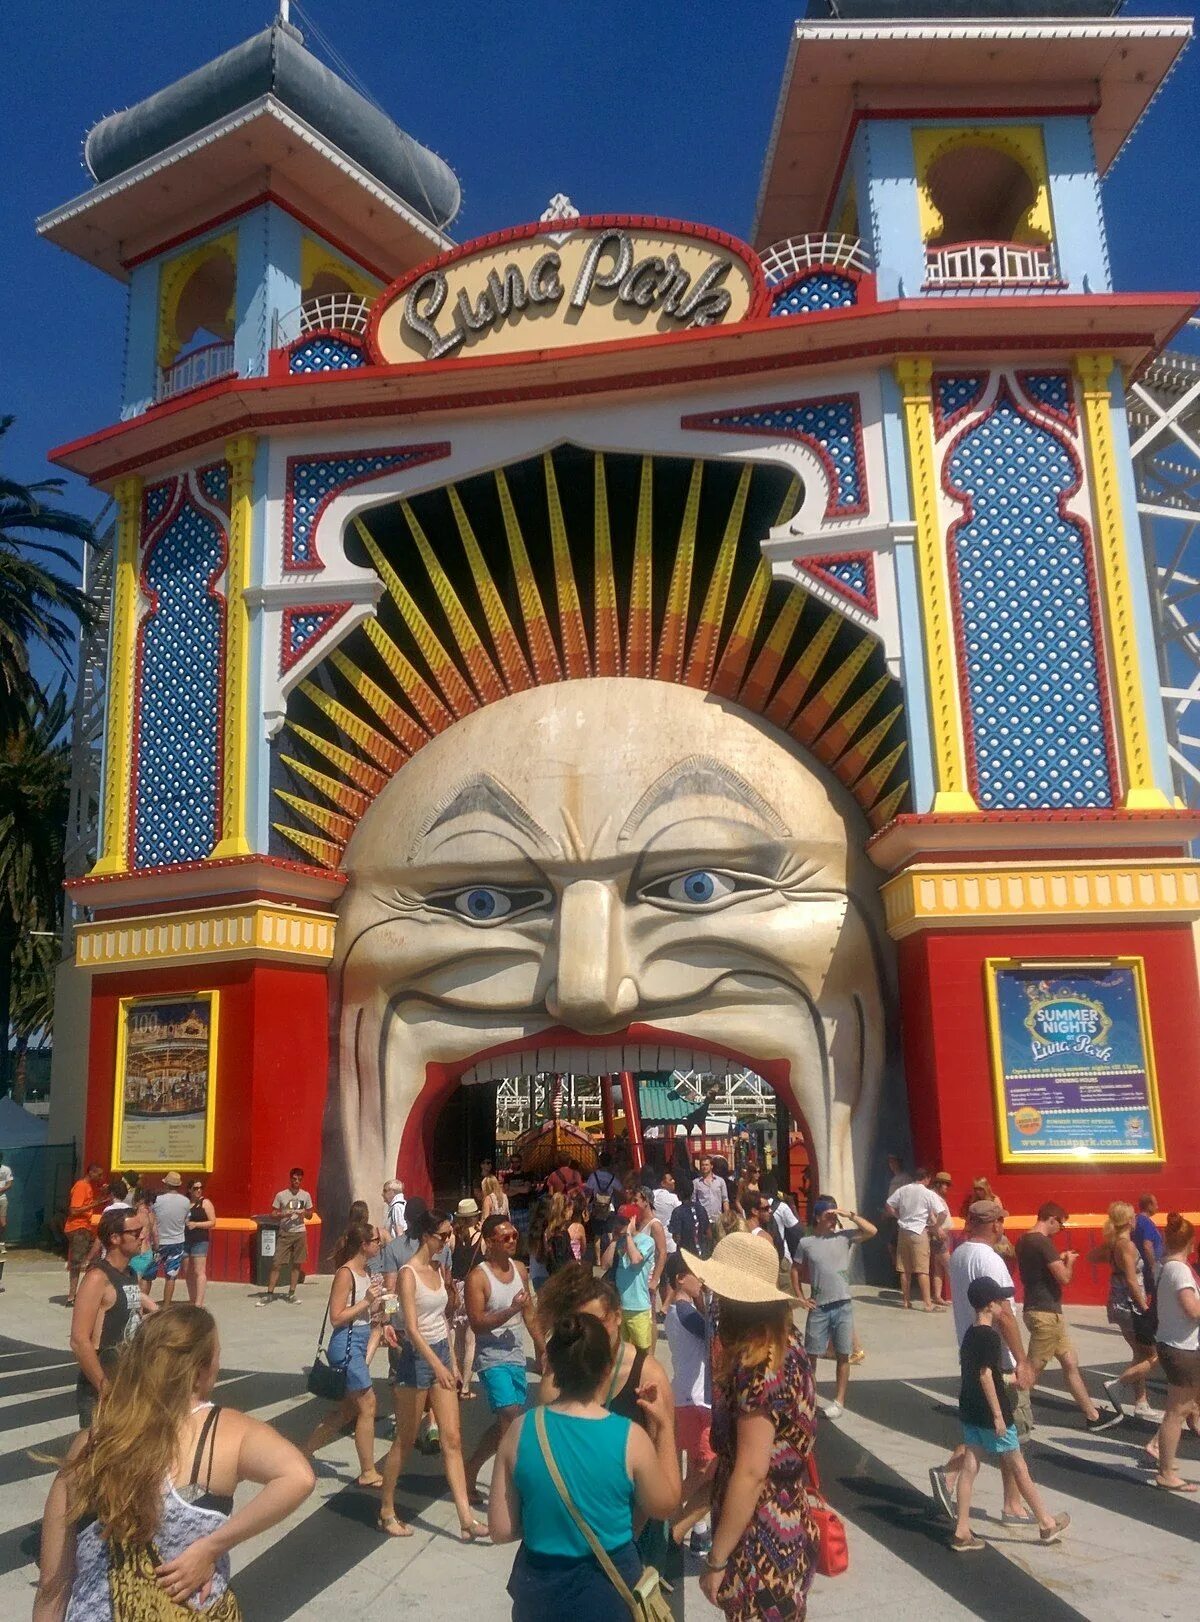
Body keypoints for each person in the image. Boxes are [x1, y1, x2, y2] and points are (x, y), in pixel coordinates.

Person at [36, 1305, 314, 1620]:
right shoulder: (224, 1432)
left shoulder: (91, 1443)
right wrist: (211, 1548)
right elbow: (299, 1476)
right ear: (199, 1369)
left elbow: (52, 1581)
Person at [490, 1305, 680, 1620]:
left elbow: (501, 1529)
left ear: (549, 1365)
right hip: (608, 1593)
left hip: (540, 1591)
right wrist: (665, 1428)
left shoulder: (520, 1430)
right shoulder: (630, 1438)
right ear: (607, 1368)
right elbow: (665, 1504)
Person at [676, 1232, 816, 1620]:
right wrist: (684, 1518)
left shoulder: (759, 1367)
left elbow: (752, 1470)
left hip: (759, 1537)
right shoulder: (789, 1347)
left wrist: (716, 1559)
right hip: (786, 1521)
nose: (715, 1300)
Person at [929, 1199, 1038, 1526]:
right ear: (994, 1225)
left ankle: (1008, 1501)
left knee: (986, 1428)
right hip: (997, 1354)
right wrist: (1022, 1360)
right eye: (1001, 1222)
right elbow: (1003, 1312)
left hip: (971, 1348)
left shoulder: (961, 1254)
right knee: (1012, 1429)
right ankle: (1006, 1502)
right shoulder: (989, 1258)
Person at [377, 1208, 485, 1540]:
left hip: (438, 1347)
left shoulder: (440, 1266)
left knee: (452, 1439)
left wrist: (450, 1361)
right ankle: (386, 1508)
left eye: (449, 1234)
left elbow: (442, 1319)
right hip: (414, 1354)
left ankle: (465, 1518)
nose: (449, 1239)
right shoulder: (398, 1254)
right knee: (405, 1441)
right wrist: (385, 1322)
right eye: (444, 1235)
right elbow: (391, 1293)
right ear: (425, 1234)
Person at [950, 1277, 1070, 1552]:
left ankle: (962, 1528)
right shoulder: (990, 1336)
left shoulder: (970, 1333)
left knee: (970, 1467)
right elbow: (984, 1375)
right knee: (1018, 1466)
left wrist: (1006, 1379)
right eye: (1001, 1300)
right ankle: (1046, 1523)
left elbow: (980, 1371)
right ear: (991, 1304)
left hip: (969, 1407)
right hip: (990, 1410)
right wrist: (998, 1416)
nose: (1004, 1305)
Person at [464, 1215, 545, 1501]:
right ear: (489, 1242)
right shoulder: (478, 1277)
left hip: (514, 1353)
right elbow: (476, 1323)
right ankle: (508, 1485)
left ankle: (471, 1468)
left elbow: (530, 1312)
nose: (513, 1240)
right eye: (506, 1237)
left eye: (514, 1235)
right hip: (490, 1355)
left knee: (509, 1420)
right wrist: (511, 1310)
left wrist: (540, 1347)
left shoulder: (520, 1269)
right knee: (509, 1412)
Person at [1015, 1201, 1115, 1431]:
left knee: (1070, 1362)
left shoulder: (1024, 1240)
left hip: (1040, 1310)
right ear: (1051, 1219)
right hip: (1046, 1313)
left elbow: (1039, 1268)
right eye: (1060, 1224)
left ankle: (1092, 1415)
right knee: (1031, 1369)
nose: (1060, 1229)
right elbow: (1064, 1278)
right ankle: (1010, 1415)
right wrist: (1068, 1262)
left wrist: (1057, 1259)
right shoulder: (1043, 1242)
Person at [302, 1220, 385, 1486]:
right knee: (368, 1404)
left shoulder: (366, 1272)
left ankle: (304, 1452)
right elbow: (337, 1318)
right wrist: (367, 1301)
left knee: (348, 1410)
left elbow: (363, 1311)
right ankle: (368, 1471)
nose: (379, 1245)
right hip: (345, 1345)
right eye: (376, 1241)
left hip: (359, 1340)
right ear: (364, 1245)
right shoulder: (345, 1273)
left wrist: (379, 1307)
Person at [70, 1207, 156, 1428]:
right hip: (103, 1386)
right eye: (135, 1233)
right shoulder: (97, 1278)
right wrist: (104, 1387)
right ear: (115, 1238)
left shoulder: (129, 1273)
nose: (142, 1236)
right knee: (97, 1456)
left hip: (127, 1380)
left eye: (142, 1231)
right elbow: (79, 1340)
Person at [791, 1196, 877, 1419]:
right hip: (819, 1306)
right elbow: (795, 1269)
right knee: (812, 1354)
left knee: (843, 1354)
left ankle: (839, 1401)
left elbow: (872, 1231)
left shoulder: (844, 1237)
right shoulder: (806, 1243)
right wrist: (800, 1297)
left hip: (843, 1304)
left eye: (833, 1216)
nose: (832, 1220)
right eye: (828, 1216)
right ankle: (810, 1396)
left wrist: (849, 1215)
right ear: (817, 1217)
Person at [662, 1252, 715, 1551]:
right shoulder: (686, 1312)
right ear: (681, 1278)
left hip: (685, 1397)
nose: (702, 1280)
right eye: (697, 1273)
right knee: (706, 1471)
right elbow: (714, 1336)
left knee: (697, 1468)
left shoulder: (677, 1311)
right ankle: (666, 1518)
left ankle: (699, 1529)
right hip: (697, 1402)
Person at [1094, 1200, 1161, 1420]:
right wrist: (1144, 1306)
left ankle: (1141, 1402)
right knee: (1153, 1355)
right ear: (1129, 1220)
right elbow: (1132, 1281)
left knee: (1139, 1353)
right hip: (1131, 1306)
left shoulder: (1114, 1244)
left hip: (1118, 1303)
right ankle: (1118, 1383)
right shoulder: (1127, 1246)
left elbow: (1092, 1257)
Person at [1152, 1212, 1200, 1491]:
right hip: (1183, 1347)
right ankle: (1166, 1471)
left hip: (1174, 1344)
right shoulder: (1179, 1270)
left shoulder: (1165, 1266)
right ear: (1190, 1242)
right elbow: (1192, 1310)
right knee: (1177, 1412)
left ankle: (1164, 1463)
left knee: (1178, 1409)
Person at [602, 1190, 659, 1351]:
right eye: (617, 1223)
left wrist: (628, 1235)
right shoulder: (618, 1241)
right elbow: (605, 1264)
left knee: (642, 1350)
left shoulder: (646, 1241)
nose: (618, 1226)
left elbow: (635, 1260)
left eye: (623, 1222)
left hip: (638, 1307)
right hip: (620, 1305)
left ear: (633, 1221)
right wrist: (614, 1241)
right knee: (621, 1349)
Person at [886, 1169, 947, 1311]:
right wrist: (935, 1226)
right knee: (922, 1269)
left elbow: (889, 1205)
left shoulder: (903, 1190)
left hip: (903, 1230)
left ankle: (906, 1301)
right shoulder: (928, 1193)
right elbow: (942, 1212)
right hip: (919, 1231)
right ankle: (927, 1304)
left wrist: (898, 1217)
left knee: (904, 1269)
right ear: (926, 1178)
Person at [259, 1167, 313, 1305]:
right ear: (290, 1179)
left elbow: (310, 1214)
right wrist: (283, 1214)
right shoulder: (281, 1195)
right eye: (294, 1179)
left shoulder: (305, 1195)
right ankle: (269, 1294)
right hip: (285, 1232)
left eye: (299, 1179)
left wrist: (304, 1214)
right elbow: (273, 1214)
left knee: (296, 1264)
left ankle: (291, 1293)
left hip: (300, 1232)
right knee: (276, 1263)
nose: (297, 1182)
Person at [450, 1197, 484, 1397]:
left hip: (455, 1287)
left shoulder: (453, 1237)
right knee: (471, 1340)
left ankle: (456, 1378)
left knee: (456, 1338)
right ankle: (465, 1387)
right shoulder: (481, 1239)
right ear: (476, 1217)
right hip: (473, 1289)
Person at [64, 1163, 107, 1307]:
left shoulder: (88, 1187)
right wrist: (96, 1204)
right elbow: (74, 1210)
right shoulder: (81, 1186)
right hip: (78, 1228)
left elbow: (88, 1204)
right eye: (99, 1174)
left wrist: (100, 1197)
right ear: (91, 1172)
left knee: (94, 1260)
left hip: (85, 1228)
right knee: (77, 1263)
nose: (100, 1178)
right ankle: (71, 1296)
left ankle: (86, 1293)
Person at [152, 1173, 193, 1306]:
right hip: (177, 1241)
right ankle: (166, 1305)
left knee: (148, 1275)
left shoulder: (157, 1200)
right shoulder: (186, 1201)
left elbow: (151, 1219)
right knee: (171, 1276)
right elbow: (186, 1220)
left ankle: (141, 1306)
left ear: (166, 1184)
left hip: (158, 1241)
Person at [184, 1177, 217, 1308]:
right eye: (195, 1188)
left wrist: (196, 1224)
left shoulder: (205, 1203)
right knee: (187, 1271)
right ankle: (192, 1299)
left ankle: (198, 1303)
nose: (198, 1191)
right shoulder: (185, 1203)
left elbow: (213, 1222)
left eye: (200, 1188)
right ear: (189, 1190)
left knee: (199, 1271)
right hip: (185, 1239)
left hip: (200, 1240)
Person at [670, 1179, 714, 1261]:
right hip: (702, 1255)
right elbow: (709, 1234)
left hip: (686, 1257)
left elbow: (677, 1237)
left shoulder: (678, 1212)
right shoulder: (701, 1208)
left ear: (679, 1193)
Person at [928, 1172, 953, 1307]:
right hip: (939, 1235)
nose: (946, 1188)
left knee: (939, 1268)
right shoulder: (933, 1197)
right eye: (945, 1185)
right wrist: (937, 1229)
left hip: (940, 1234)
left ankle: (937, 1296)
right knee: (949, 1266)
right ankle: (960, 1295)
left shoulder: (936, 1196)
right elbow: (931, 1214)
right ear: (938, 1184)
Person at [1134, 1193, 1164, 1280]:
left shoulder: (1136, 1221)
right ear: (1149, 1206)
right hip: (1148, 1270)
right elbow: (1147, 1246)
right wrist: (1154, 1266)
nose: (1157, 1207)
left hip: (1139, 1267)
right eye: (1156, 1204)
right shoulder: (1147, 1224)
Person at [693, 1156, 729, 1227]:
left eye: (706, 1165)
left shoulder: (720, 1181)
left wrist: (727, 1216)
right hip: (702, 1220)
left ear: (711, 1166)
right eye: (702, 1165)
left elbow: (725, 1200)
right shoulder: (696, 1182)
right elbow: (693, 1201)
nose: (704, 1167)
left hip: (717, 1219)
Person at [652, 1171, 682, 1250]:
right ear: (663, 1183)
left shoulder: (651, 1195)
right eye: (670, 1179)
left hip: (654, 1239)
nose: (673, 1181)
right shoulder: (673, 1198)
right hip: (670, 1239)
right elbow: (682, 1213)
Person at [0, 1150, 12, 1254]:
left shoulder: (6, 1169)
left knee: (2, 1223)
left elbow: (9, 1183)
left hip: (2, 1198)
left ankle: (2, 1244)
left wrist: (2, 1189)